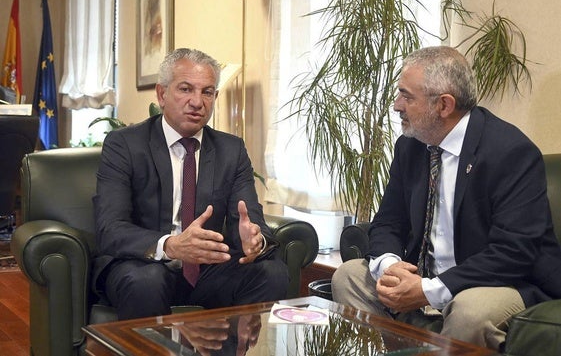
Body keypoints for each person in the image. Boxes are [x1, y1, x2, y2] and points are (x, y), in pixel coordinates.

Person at [332, 46, 561, 350]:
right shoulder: (410, 147)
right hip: (422, 276)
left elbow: (513, 251)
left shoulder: (510, 152)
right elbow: (388, 221)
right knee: (347, 276)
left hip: (496, 281)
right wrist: (389, 266)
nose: (397, 105)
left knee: (470, 312)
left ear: (443, 105)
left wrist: (430, 290)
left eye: (407, 96)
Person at [92, 48, 289, 320]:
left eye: (207, 92)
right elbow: (109, 228)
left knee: (272, 273)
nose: (197, 102)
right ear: (162, 94)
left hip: (207, 271)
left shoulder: (231, 150)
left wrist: (254, 239)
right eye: (185, 89)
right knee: (146, 281)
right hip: (143, 265)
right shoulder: (124, 144)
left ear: (215, 97)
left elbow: (249, 220)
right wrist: (170, 245)